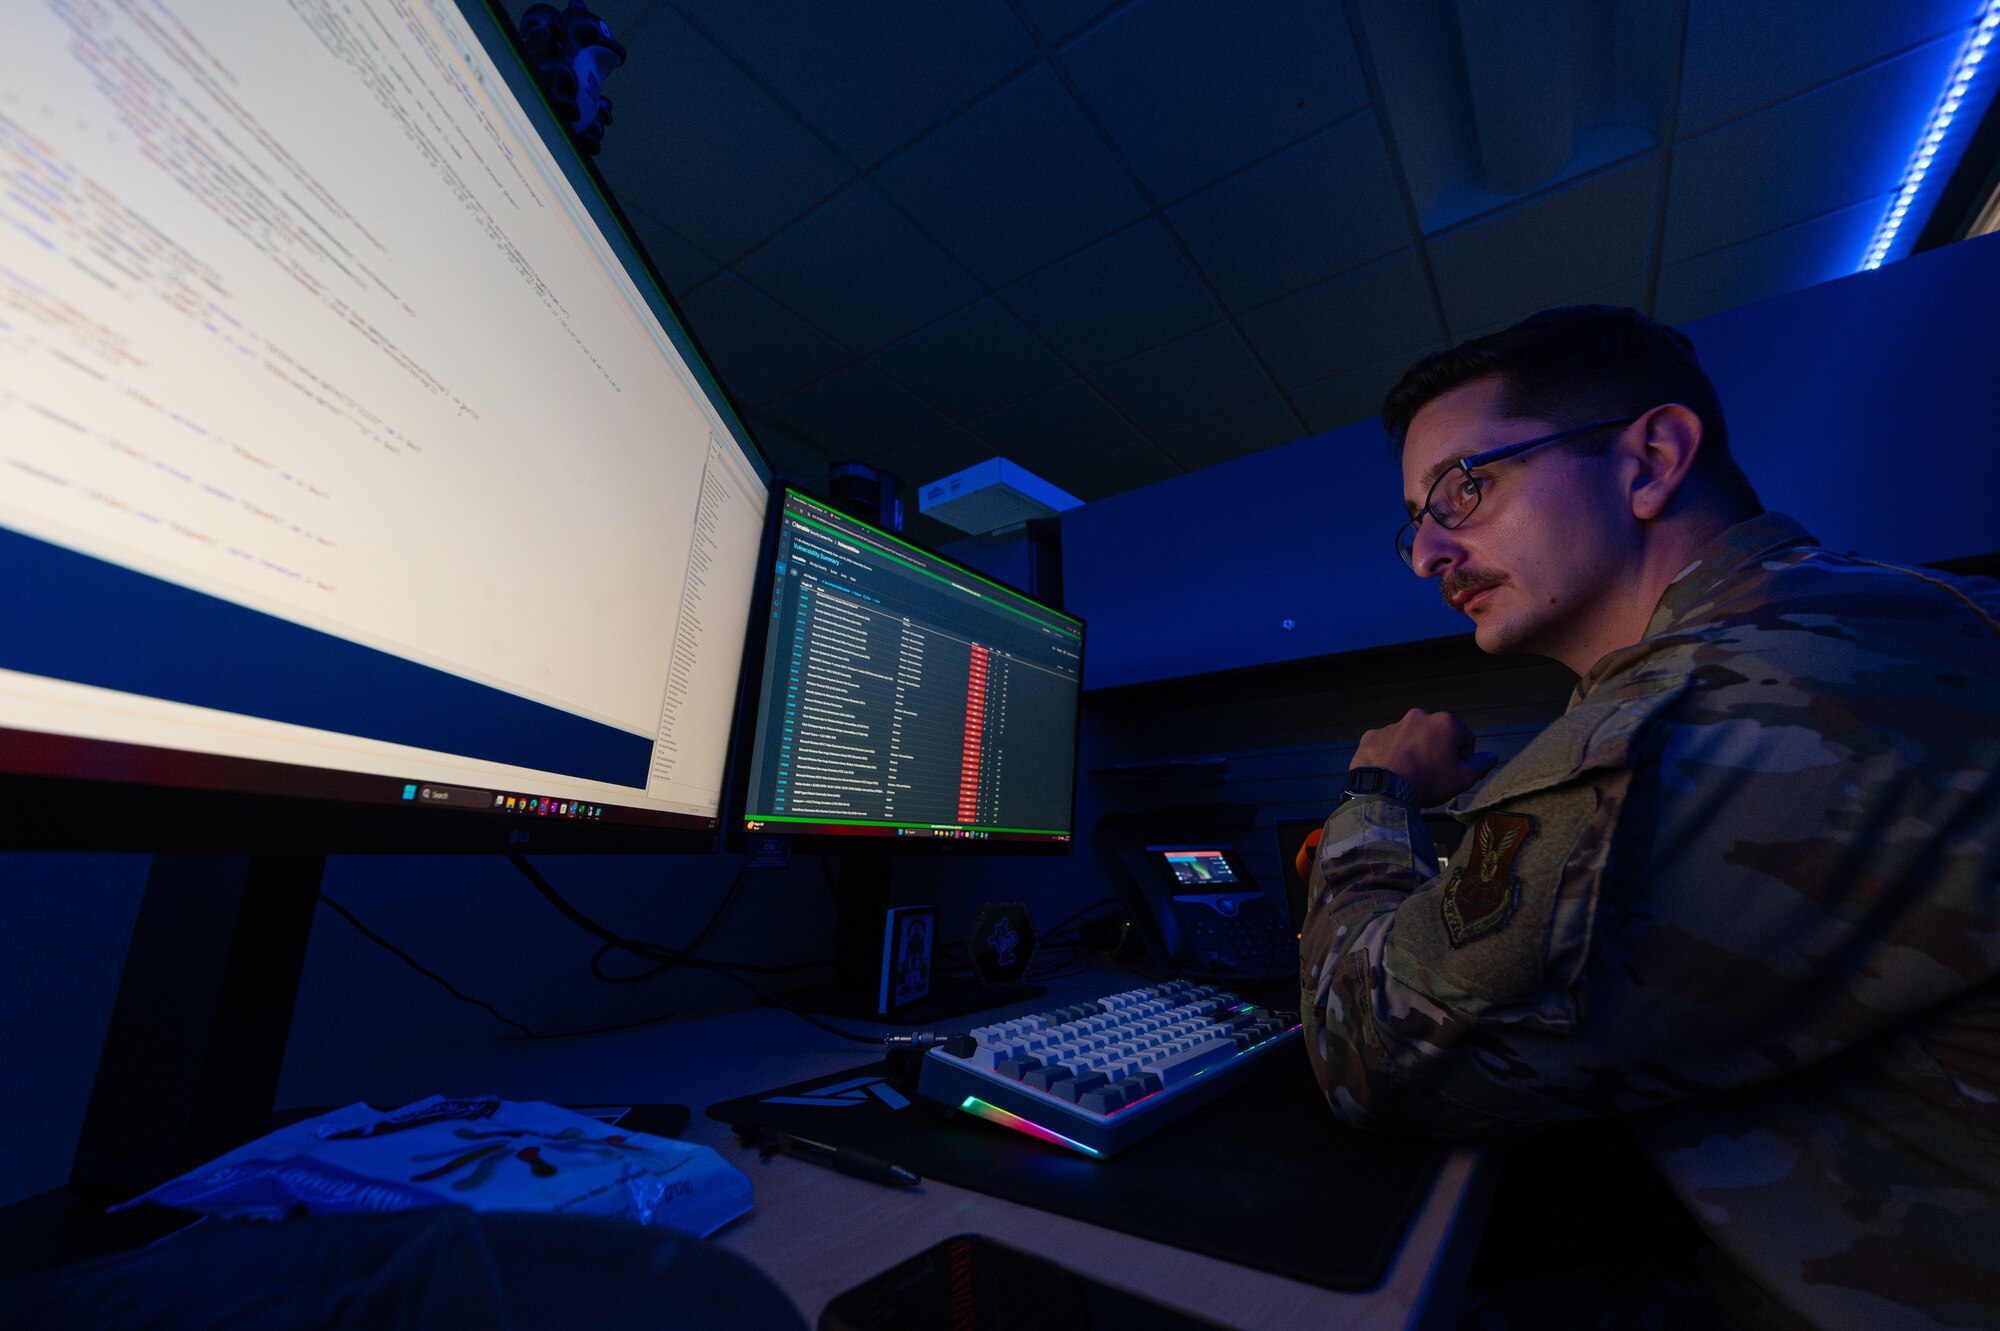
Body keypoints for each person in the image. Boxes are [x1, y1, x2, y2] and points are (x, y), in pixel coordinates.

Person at [1300, 305, 2000, 1330]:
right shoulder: (1893, 611)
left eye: (1464, 487)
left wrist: (1375, 795)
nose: (1426, 555)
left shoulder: (1717, 704)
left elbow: (1373, 1056)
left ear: (1650, 459)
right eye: (1417, 520)